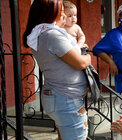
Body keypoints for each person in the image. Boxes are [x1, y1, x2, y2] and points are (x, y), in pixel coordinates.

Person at [23, 0, 91, 139]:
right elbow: (80, 63)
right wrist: (88, 56)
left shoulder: (41, 34)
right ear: (51, 14)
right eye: (61, 11)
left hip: (59, 95)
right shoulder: (52, 36)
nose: (64, 16)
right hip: (67, 98)